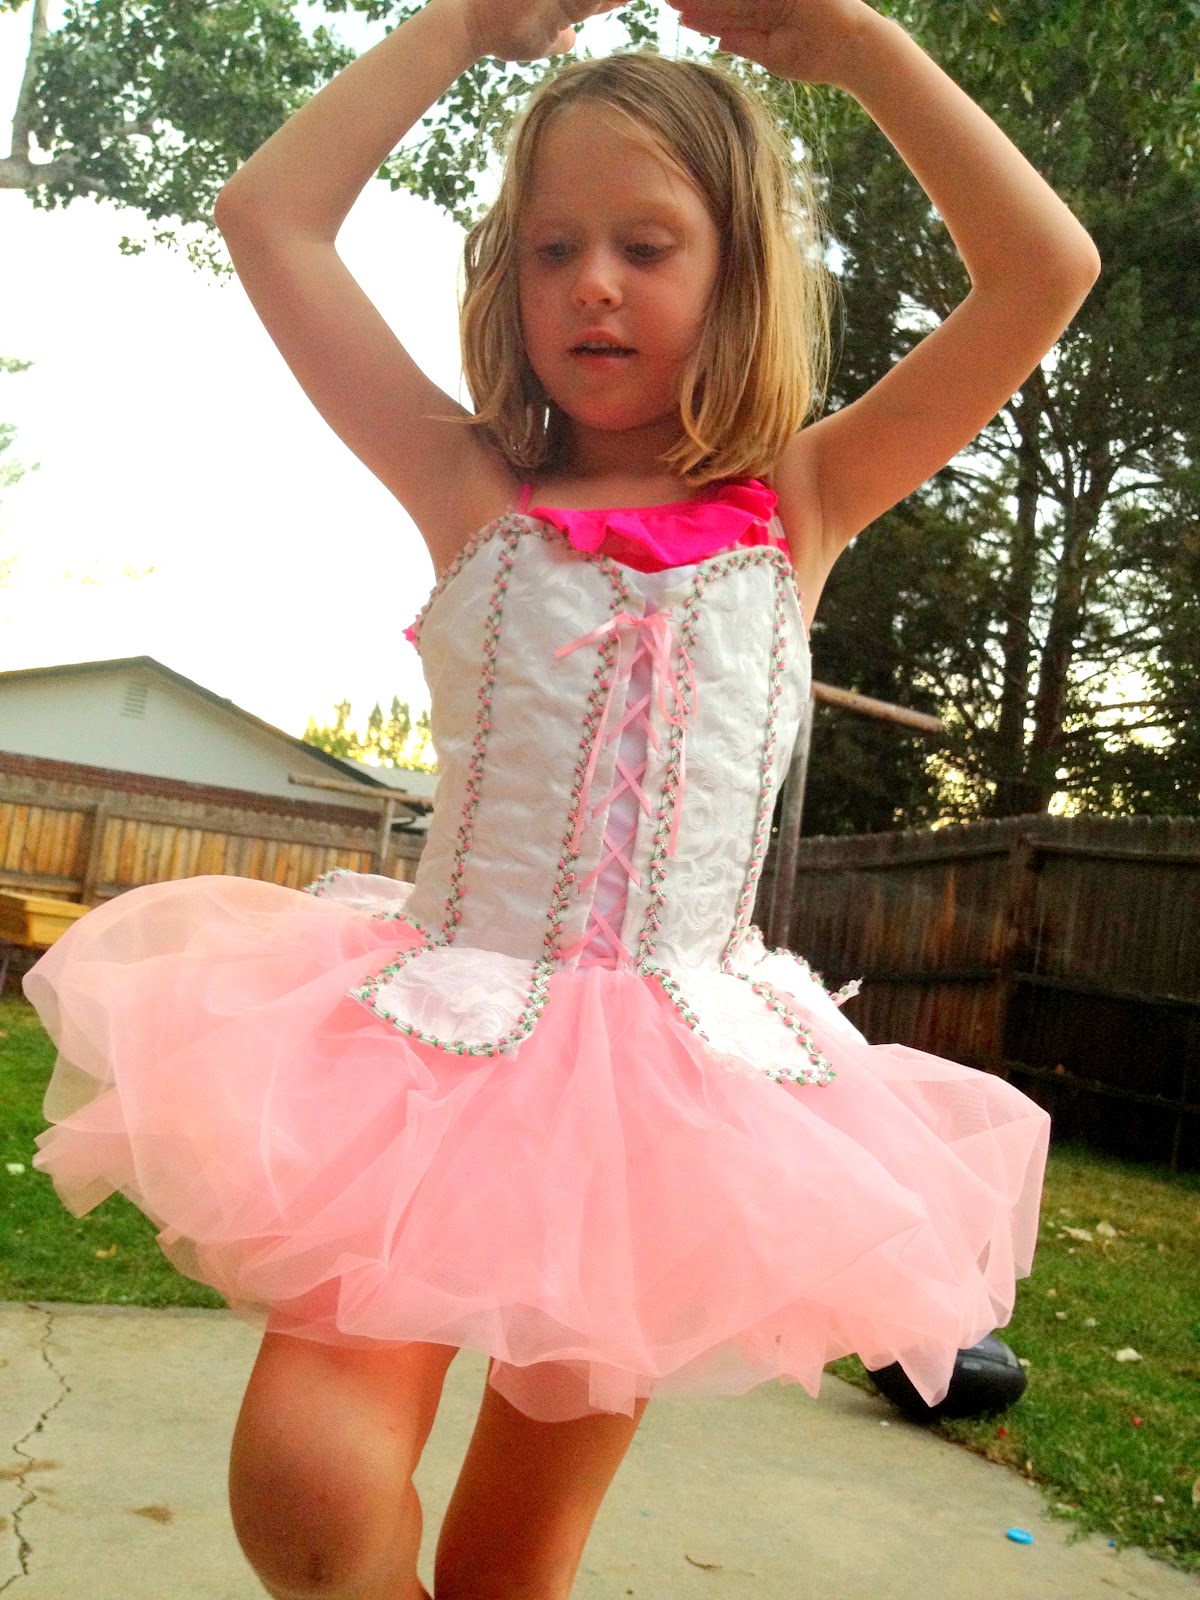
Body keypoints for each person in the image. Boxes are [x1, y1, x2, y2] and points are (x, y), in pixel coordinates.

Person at [24, 0, 1099, 1595]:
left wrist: (857, 45)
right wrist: (460, 27)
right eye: (551, 249)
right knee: (312, 1488)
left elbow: (1042, 271)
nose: (593, 281)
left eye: (647, 246)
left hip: (662, 1111)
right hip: (419, 1062)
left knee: (516, 1562)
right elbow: (269, 216)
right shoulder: (466, 487)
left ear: (739, 274)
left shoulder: (805, 500)